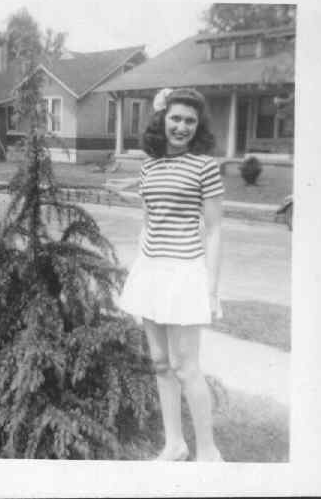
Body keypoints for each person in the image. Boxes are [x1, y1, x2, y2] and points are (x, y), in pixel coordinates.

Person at [112, 87, 224, 462]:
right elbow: (150, 220)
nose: (182, 126)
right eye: (176, 118)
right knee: (160, 362)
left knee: (186, 366)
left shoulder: (205, 166)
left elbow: (213, 231)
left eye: (190, 121)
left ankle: (208, 452)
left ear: (198, 126)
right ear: (163, 119)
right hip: (152, 271)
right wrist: (142, 268)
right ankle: (174, 444)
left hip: (185, 272)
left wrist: (211, 289)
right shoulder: (150, 166)